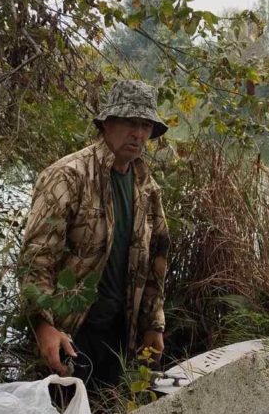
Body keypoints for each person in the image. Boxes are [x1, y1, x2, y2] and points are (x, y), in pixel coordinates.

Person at [18, 80, 170, 388]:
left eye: (145, 125)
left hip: (120, 334)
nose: (138, 134)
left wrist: (153, 325)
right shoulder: (69, 176)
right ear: (107, 123)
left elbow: (157, 258)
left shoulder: (147, 188)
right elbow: (37, 258)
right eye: (130, 122)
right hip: (69, 332)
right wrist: (43, 325)